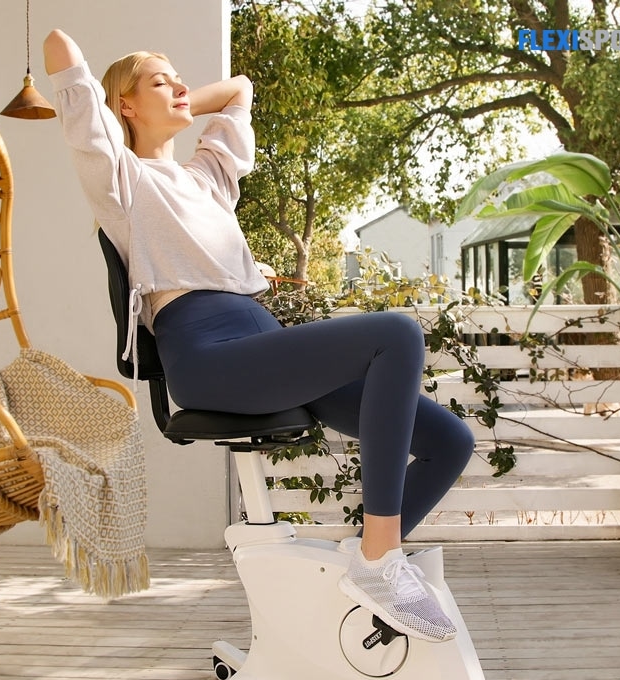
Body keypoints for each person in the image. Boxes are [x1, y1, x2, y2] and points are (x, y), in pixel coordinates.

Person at [43, 29, 475, 643]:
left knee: (449, 441)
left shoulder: (208, 178)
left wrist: (179, 97)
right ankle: (379, 561)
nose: (180, 89)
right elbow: (65, 59)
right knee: (397, 335)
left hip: (260, 340)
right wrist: (110, 99)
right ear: (125, 107)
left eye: (179, 80)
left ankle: (361, 565)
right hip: (208, 354)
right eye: (159, 82)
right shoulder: (123, 183)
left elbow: (241, 90)